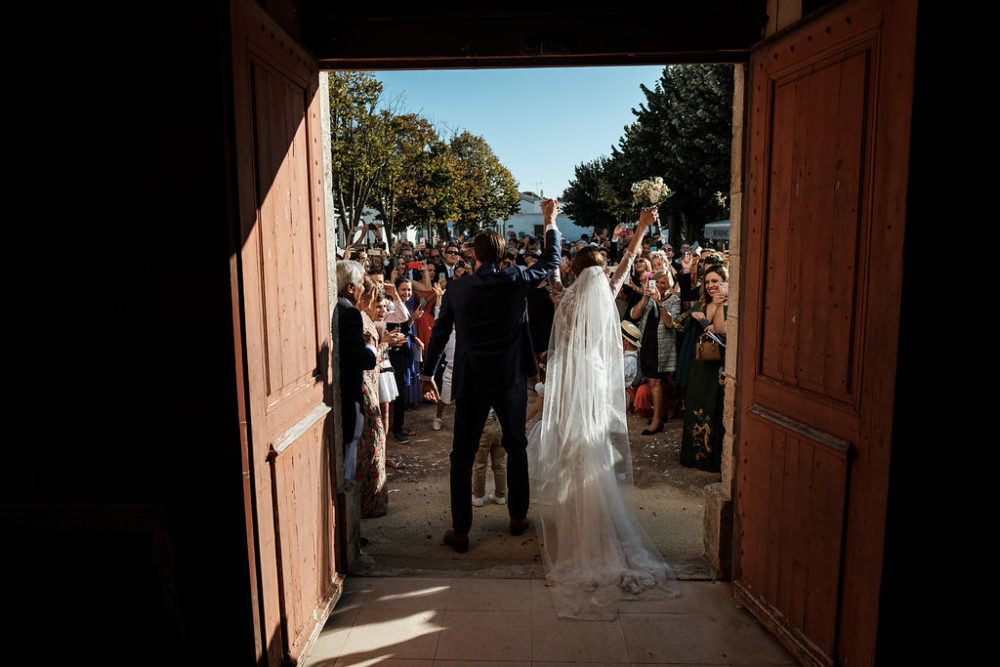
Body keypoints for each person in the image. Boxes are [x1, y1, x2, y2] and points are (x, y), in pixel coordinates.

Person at [530, 206, 679, 620]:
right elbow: (628, 262)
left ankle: (580, 531)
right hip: (594, 384)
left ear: (575, 271)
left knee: (574, 455)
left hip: (574, 383)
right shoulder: (607, 295)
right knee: (593, 452)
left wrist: (551, 221)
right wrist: (643, 229)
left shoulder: (564, 296)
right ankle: (597, 526)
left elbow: (552, 271)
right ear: (600, 275)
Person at [420, 199, 563, 553]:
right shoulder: (516, 279)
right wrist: (550, 221)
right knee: (516, 446)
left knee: (462, 453)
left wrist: (428, 373)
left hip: (471, 376)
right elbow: (551, 261)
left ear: (474, 257)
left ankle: (461, 530)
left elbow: (439, 334)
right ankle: (517, 518)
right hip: (510, 375)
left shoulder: (457, 288)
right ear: (502, 256)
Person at [678, 264, 728, 471]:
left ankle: (712, 461)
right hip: (699, 366)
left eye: (715, 281)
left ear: (725, 282)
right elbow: (678, 325)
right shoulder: (699, 305)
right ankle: (694, 457)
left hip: (720, 366)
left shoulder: (730, 306)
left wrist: (709, 317)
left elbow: (720, 329)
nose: (710, 286)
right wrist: (661, 303)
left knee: (715, 409)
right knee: (696, 406)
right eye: (707, 282)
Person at [629, 269, 681, 434]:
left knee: (656, 382)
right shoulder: (649, 298)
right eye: (657, 282)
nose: (659, 285)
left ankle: (657, 421)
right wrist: (645, 297)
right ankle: (660, 413)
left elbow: (670, 323)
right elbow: (634, 315)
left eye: (663, 283)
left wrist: (660, 302)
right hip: (646, 343)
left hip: (661, 348)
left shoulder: (674, 300)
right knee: (652, 382)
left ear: (668, 285)